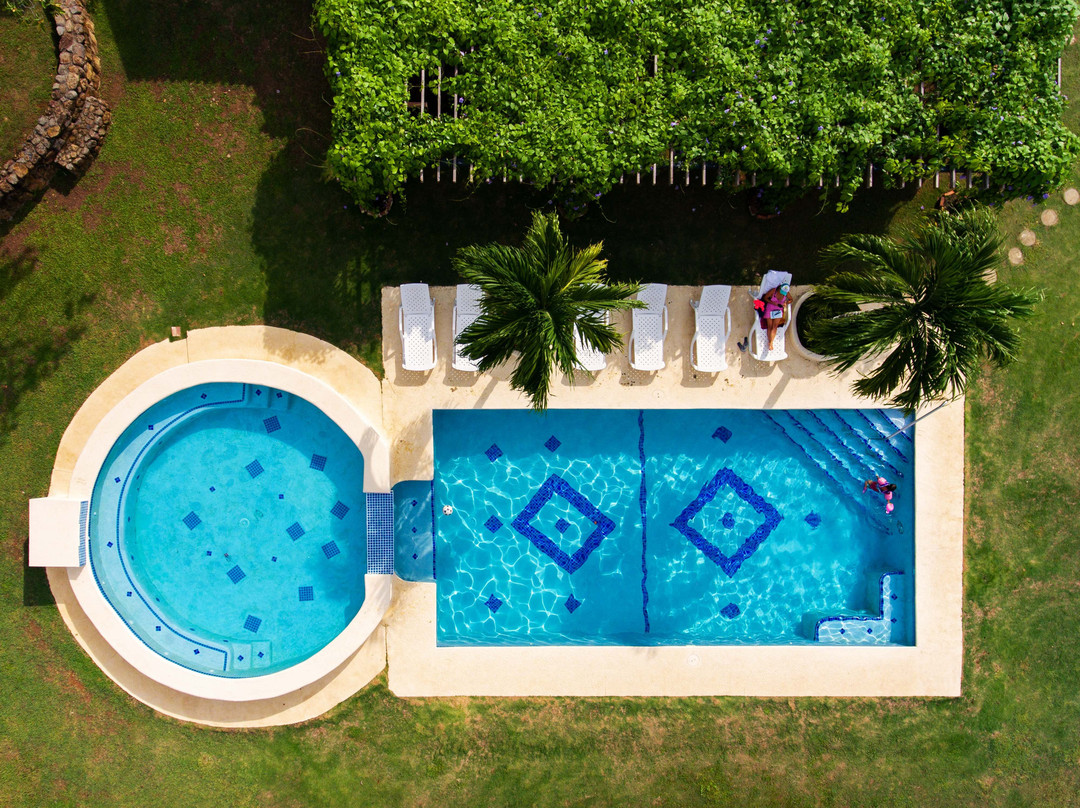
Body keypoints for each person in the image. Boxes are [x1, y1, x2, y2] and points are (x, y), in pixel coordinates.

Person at [756, 282, 790, 350]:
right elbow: (765, 298)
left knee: (775, 327)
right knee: (770, 326)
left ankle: (771, 343)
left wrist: (786, 303)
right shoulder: (773, 291)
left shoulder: (786, 293)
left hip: (778, 309)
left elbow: (791, 299)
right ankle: (770, 343)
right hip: (770, 307)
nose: (782, 294)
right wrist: (774, 303)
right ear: (780, 288)